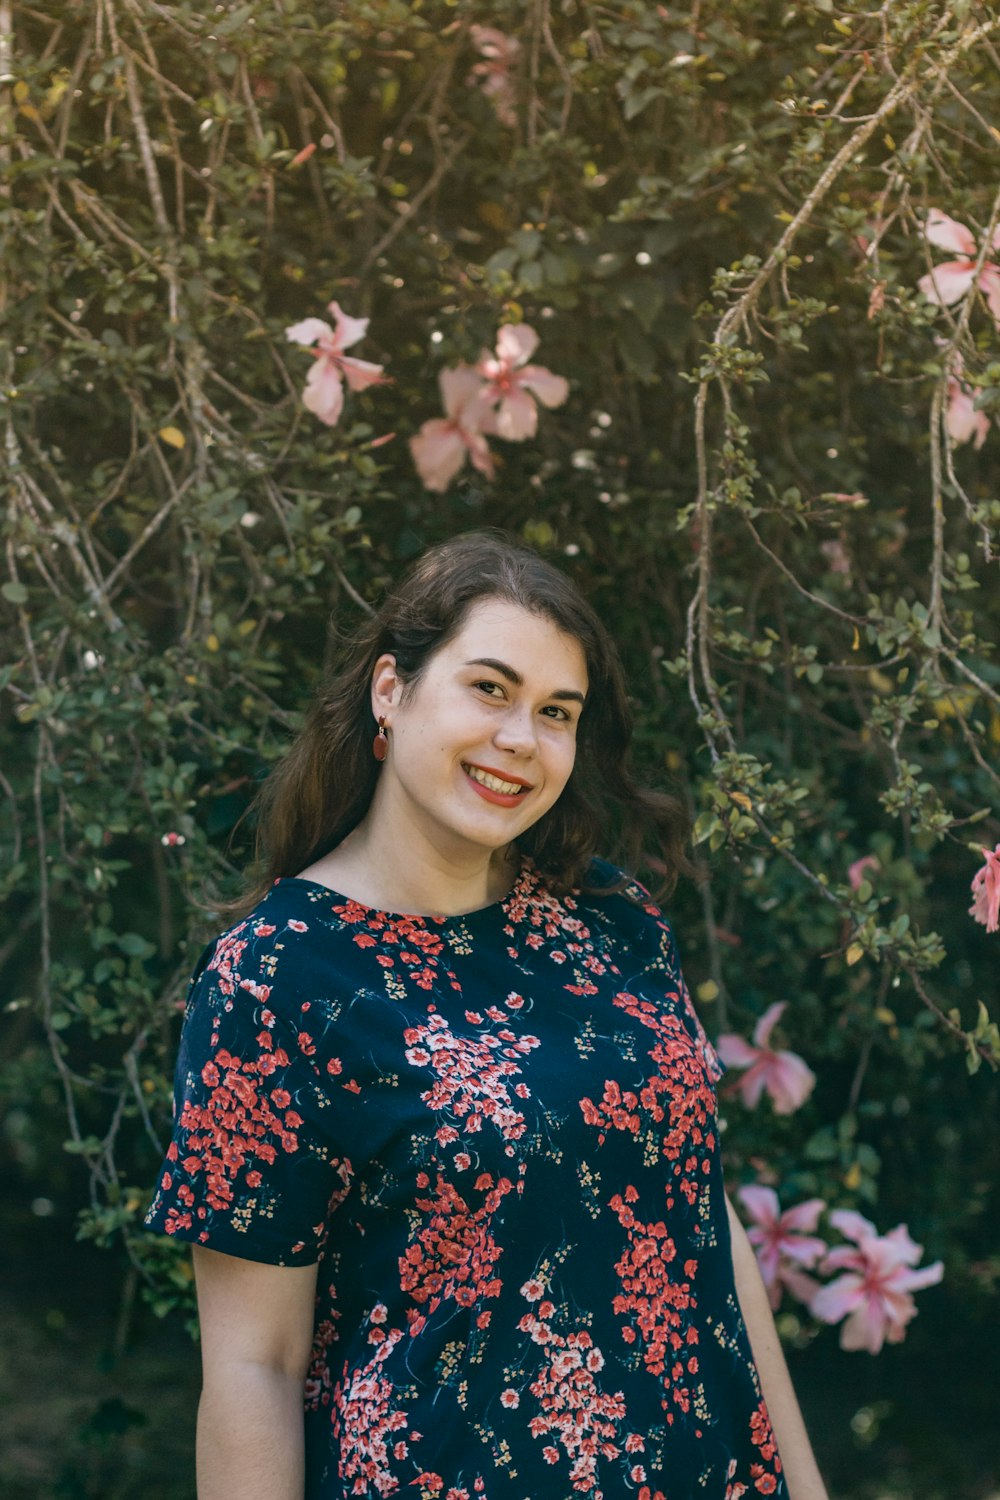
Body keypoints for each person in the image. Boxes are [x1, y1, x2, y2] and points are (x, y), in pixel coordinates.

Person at [145, 532, 828, 1500]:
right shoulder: (277, 977)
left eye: (557, 712)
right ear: (391, 690)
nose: (521, 738)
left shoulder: (613, 920)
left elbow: (702, 1220)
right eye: (491, 689)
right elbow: (255, 1366)